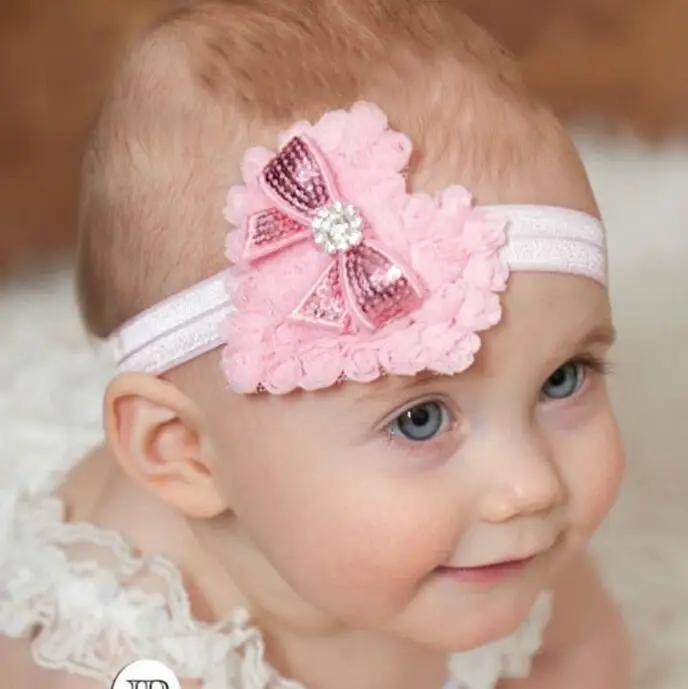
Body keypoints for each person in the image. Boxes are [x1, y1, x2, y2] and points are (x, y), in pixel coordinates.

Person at [0, 1, 629, 687]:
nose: (532, 484)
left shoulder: (498, 544)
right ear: (188, 453)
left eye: (564, 377)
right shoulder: (124, 646)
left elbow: (580, 653)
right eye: (420, 419)